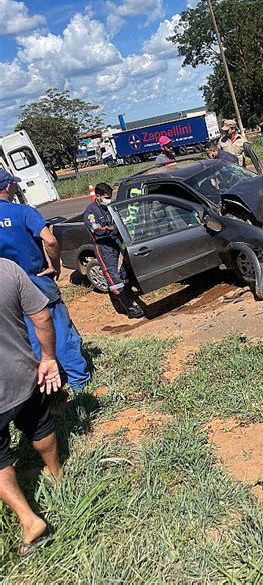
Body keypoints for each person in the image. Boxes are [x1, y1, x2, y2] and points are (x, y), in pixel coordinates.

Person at [0, 170, 90, 392]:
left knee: (26, 334)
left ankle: (46, 384)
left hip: (5, 285)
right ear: (8, 187)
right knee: (57, 327)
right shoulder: (23, 212)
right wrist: (55, 265)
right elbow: (50, 241)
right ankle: (78, 380)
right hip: (35, 279)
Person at [0, 258, 61, 557]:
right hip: (25, 375)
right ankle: (56, 472)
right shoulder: (7, 269)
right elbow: (42, 317)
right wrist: (49, 357)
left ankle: (29, 519)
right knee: (40, 424)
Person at [83, 183, 144, 319]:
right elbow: (97, 230)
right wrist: (114, 229)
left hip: (116, 244)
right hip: (104, 248)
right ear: (98, 196)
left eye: (110, 197)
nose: (109, 199)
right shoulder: (91, 212)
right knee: (113, 277)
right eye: (106, 197)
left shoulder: (111, 207)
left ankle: (128, 298)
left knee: (123, 273)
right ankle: (128, 308)